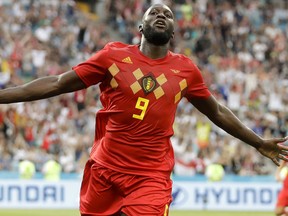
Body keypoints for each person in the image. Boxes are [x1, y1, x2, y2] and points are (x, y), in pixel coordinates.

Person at [0, 3, 287, 216]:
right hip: (104, 171)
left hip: (151, 177)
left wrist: (258, 142)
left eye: (168, 14)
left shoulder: (185, 71)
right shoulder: (112, 57)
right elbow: (57, 83)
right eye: (154, 12)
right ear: (140, 27)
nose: (161, 15)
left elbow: (218, 112)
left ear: (174, 32)